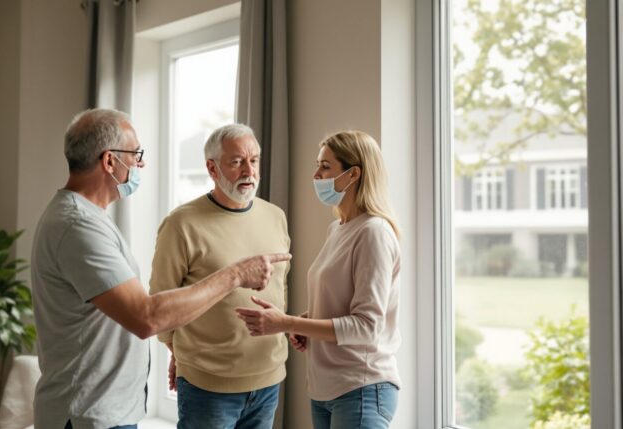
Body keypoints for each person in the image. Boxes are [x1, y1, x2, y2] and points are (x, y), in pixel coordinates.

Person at [30, 109, 291, 429]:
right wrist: (235, 274)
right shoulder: (77, 226)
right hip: (88, 414)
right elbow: (147, 316)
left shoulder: (88, 218)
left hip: (105, 409)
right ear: (110, 161)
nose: (141, 164)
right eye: (136, 154)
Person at [236, 130, 402, 429]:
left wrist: (287, 323)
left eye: (326, 167)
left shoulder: (373, 232)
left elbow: (367, 327)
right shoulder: (338, 229)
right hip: (326, 389)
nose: (316, 175)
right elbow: (344, 304)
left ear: (354, 174)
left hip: (361, 388)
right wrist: (310, 323)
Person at [149, 124, 291, 429]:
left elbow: (280, 289)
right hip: (207, 388)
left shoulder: (275, 216)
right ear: (212, 169)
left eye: (254, 160)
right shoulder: (180, 224)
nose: (248, 170)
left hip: (268, 380)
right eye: (237, 161)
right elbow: (161, 302)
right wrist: (181, 355)